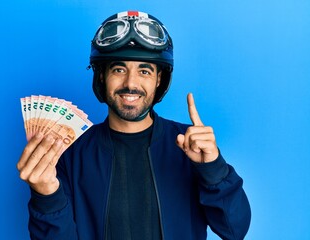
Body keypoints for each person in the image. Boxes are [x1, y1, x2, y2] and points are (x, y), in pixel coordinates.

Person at [17, 10, 251, 240]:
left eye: (144, 70)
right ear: (101, 76)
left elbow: (234, 230)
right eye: (119, 69)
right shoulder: (70, 154)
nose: (131, 83)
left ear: (159, 79)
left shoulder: (191, 146)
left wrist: (214, 168)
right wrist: (47, 195)